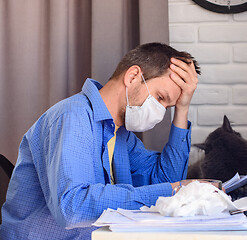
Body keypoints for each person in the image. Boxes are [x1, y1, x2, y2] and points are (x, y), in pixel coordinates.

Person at [0, 42, 201, 239]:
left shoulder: (121, 135)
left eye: (167, 108)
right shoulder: (72, 117)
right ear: (132, 77)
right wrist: (175, 189)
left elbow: (167, 182)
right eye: (159, 98)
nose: (159, 113)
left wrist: (182, 108)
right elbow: (73, 207)